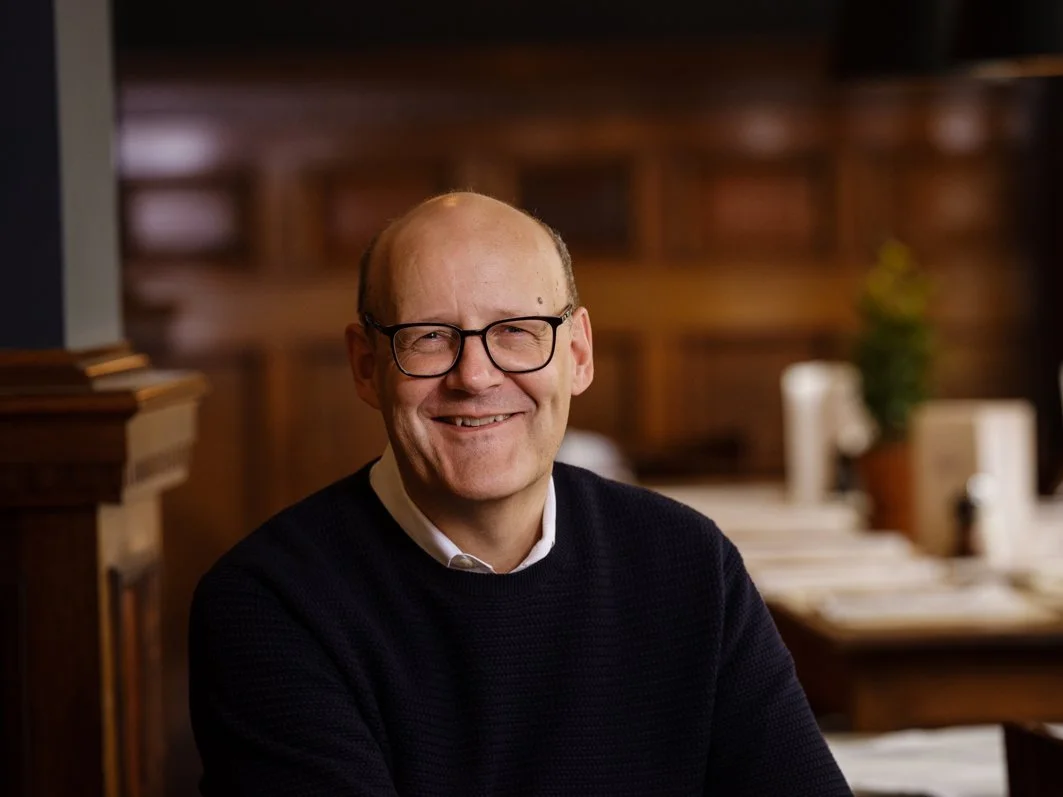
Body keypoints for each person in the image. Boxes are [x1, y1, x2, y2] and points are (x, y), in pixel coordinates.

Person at [188, 191, 853, 796]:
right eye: (428, 337)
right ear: (367, 366)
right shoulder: (270, 604)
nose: (475, 376)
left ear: (579, 354)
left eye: (515, 330)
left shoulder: (685, 560)